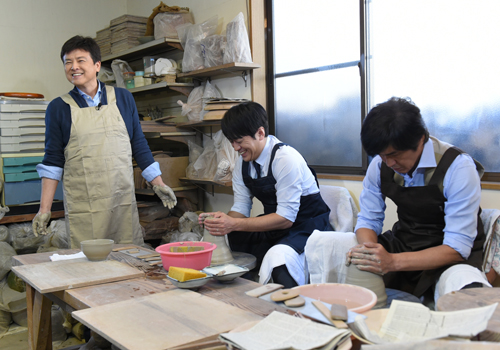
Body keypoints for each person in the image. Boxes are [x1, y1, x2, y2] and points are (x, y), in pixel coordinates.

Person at [31, 35, 177, 248]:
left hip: (121, 201)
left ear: (97, 65)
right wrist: (44, 209)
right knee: (89, 265)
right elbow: (53, 161)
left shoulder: (123, 98)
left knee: (127, 258)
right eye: (68, 62)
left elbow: (138, 144)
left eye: (80, 60)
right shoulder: (59, 107)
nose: (74, 67)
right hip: (85, 206)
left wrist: (159, 183)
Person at [346, 97, 490, 303]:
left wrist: (392, 262)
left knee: (464, 285)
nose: (389, 163)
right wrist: (371, 254)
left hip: (446, 254)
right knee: (333, 246)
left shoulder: (458, 167)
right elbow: (368, 220)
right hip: (405, 241)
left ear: (421, 139)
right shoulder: (380, 164)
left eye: (395, 154)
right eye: (382, 155)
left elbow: (457, 247)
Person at [199, 102, 332, 288]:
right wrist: (219, 222)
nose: (236, 148)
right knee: (232, 236)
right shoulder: (242, 163)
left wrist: (234, 223)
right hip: (277, 224)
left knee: (278, 260)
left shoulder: (285, 158)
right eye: (232, 142)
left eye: (239, 141)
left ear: (260, 133)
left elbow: (286, 218)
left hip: (307, 224)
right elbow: (240, 209)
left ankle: (291, 303)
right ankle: (241, 292)